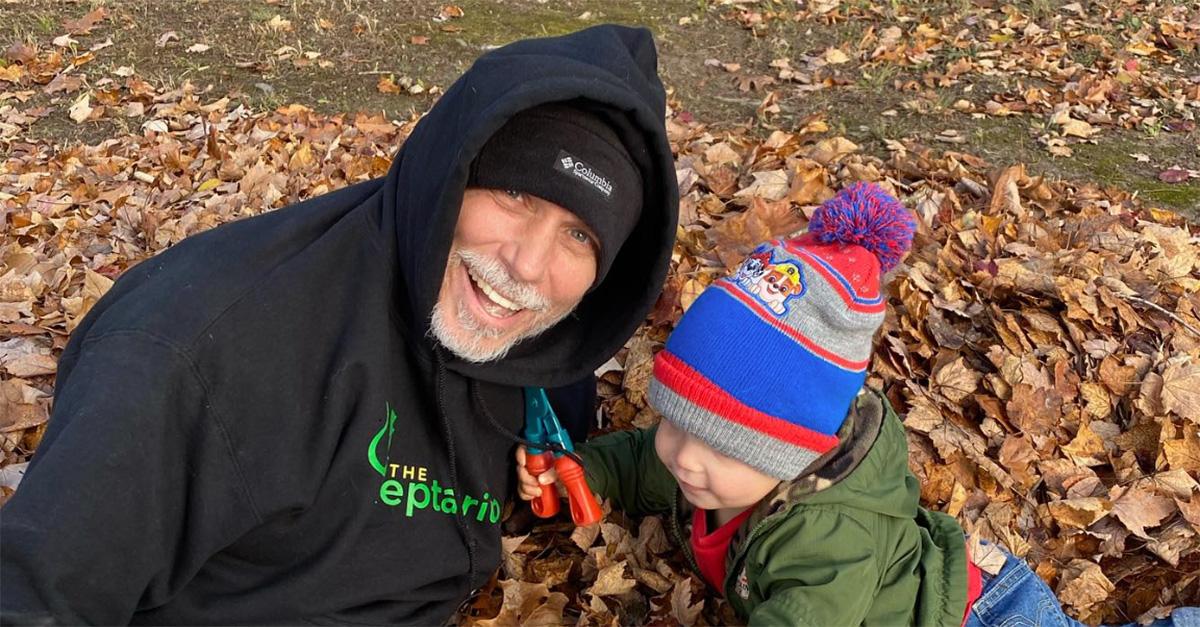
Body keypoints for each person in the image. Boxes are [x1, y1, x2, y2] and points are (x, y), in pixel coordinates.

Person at [0, 25, 678, 625]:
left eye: (580, 234)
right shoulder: (196, 356)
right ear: (451, 175)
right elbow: (35, 596)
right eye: (516, 193)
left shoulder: (541, 352)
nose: (528, 265)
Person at [516, 183, 1200, 627]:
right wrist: (587, 473)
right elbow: (644, 462)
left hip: (985, 615)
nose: (684, 458)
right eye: (676, 423)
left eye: (722, 444)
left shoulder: (826, 536)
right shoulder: (713, 464)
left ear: (790, 451)